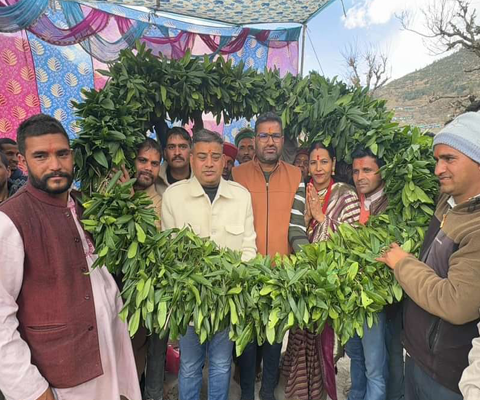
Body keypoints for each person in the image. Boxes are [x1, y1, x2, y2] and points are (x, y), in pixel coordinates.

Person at [0, 114, 140, 400]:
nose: (55, 165)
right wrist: (33, 391)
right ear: (23, 162)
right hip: (62, 377)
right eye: (41, 156)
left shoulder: (80, 204)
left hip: (109, 357)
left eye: (62, 154)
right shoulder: (11, 220)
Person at [378, 112, 480, 400]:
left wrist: (401, 262)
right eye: (437, 160)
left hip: (448, 376)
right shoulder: (447, 204)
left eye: (449, 159)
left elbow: (456, 302)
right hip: (420, 357)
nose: (438, 169)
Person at [161, 128, 257, 400]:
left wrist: (235, 284)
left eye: (216, 156)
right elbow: (169, 251)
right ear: (192, 159)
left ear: (224, 161)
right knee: (190, 366)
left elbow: (249, 246)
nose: (209, 162)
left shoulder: (240, 196)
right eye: (202, 156)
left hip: (228, 300)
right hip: (190, 302)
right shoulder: (174, 196)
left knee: (221, 364)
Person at [232, 112, 309, 400]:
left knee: (275, 339)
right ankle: (247, 394)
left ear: (283, 139)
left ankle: (267, 394)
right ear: (254, 140)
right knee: (248, 340)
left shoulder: (295, 175)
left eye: (275, 135)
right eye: (263, 135)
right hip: (247, 272)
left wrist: (305, 261)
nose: (270, 141)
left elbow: (297, 225)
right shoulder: (237, 175)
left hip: (281, 274)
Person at [282, 141, 361, 400]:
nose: (318, 168)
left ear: (334, 164)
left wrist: (321, 217)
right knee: (301, 341)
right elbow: (294, 231)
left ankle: (322, 393)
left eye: (324, 162)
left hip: (332, 282)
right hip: (306, 279)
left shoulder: (345, 194)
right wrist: (311, 262)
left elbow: (352, 238)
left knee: (325, 344)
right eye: (313, 162)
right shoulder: (302, 191)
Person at [347, 146, 404, 400]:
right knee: (356, 357)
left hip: (375, 301)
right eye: (356, 171)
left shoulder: (390, 206)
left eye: (367, 170)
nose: (360, 176)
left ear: (382, 172)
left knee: (374, 367)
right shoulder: (352, 201)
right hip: (353, 298)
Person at [120, 138, 167, 400]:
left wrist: (131, 205)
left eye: (154, 163)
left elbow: (148, 243)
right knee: (125, 350)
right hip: (118, 288)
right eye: (143, 161)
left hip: (150, 288)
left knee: (153, 350)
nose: (148, 168)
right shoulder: (110, 192)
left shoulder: (158, 201)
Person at [156, 127, 193, 195]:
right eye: (171, 147)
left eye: (182, 147)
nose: (177, 153)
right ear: (165, 153)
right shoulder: (155, 179)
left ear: (191, 152)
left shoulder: (201, 178)